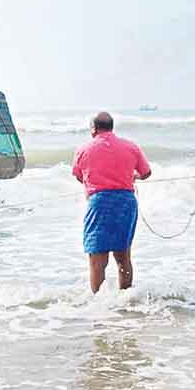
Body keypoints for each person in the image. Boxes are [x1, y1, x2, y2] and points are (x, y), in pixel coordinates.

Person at [72, 112, 151, 293]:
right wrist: (133, 176)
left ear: (93, 129)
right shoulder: (130, 146)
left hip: (99, 202)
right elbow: (146, 173)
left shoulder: (84, 149)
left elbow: (78, 175)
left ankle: (98, 304)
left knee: (97, 260)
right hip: (125, 202)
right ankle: (125, 299)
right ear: (111, 127)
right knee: (123, 256)